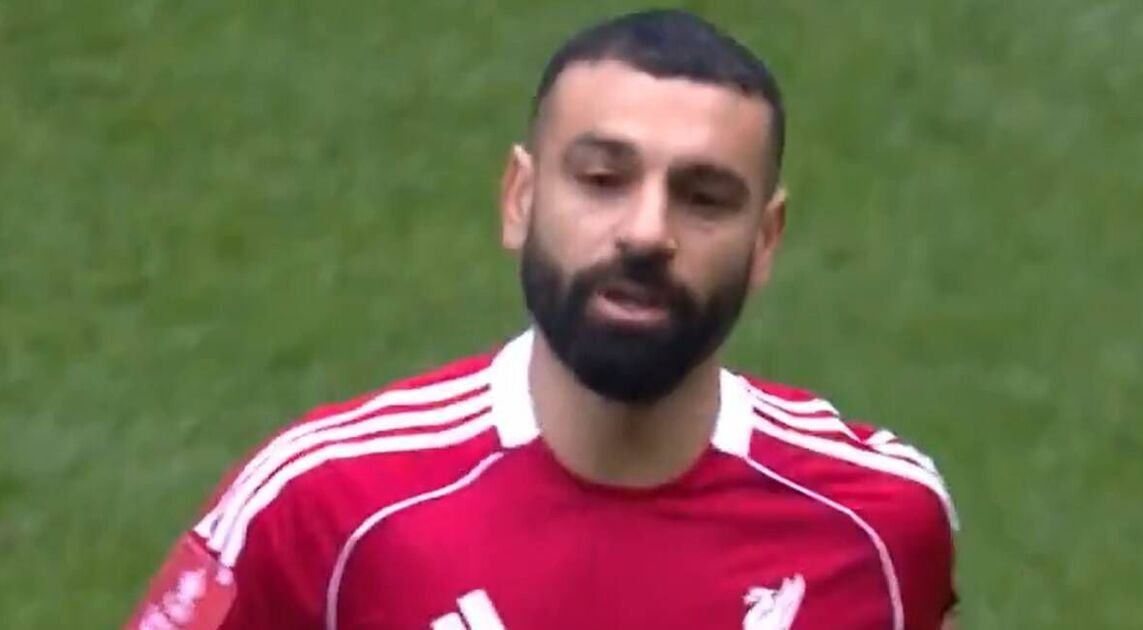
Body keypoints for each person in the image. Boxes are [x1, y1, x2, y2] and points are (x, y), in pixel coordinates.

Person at [126, 8, 959, 630]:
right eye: (602, 179)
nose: (647, 233)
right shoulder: (324, 504)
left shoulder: (879, 523)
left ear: (765, 241)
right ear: (520, 199)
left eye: (704, 198)